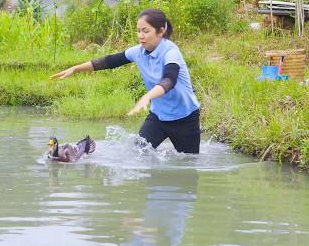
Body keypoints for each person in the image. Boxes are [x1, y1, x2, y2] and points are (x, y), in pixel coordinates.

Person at [50, 8, 201, 154]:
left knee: (188, 163)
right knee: (138, 153)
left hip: (185, 119)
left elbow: (169, 80)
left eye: (146, 31)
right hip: (158, 117)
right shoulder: (138, 51)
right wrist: (75, 69)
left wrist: (147, 97)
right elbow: (108, 62)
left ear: (161, 31)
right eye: (138, 31)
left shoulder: (171, 52)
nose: (140, 35)